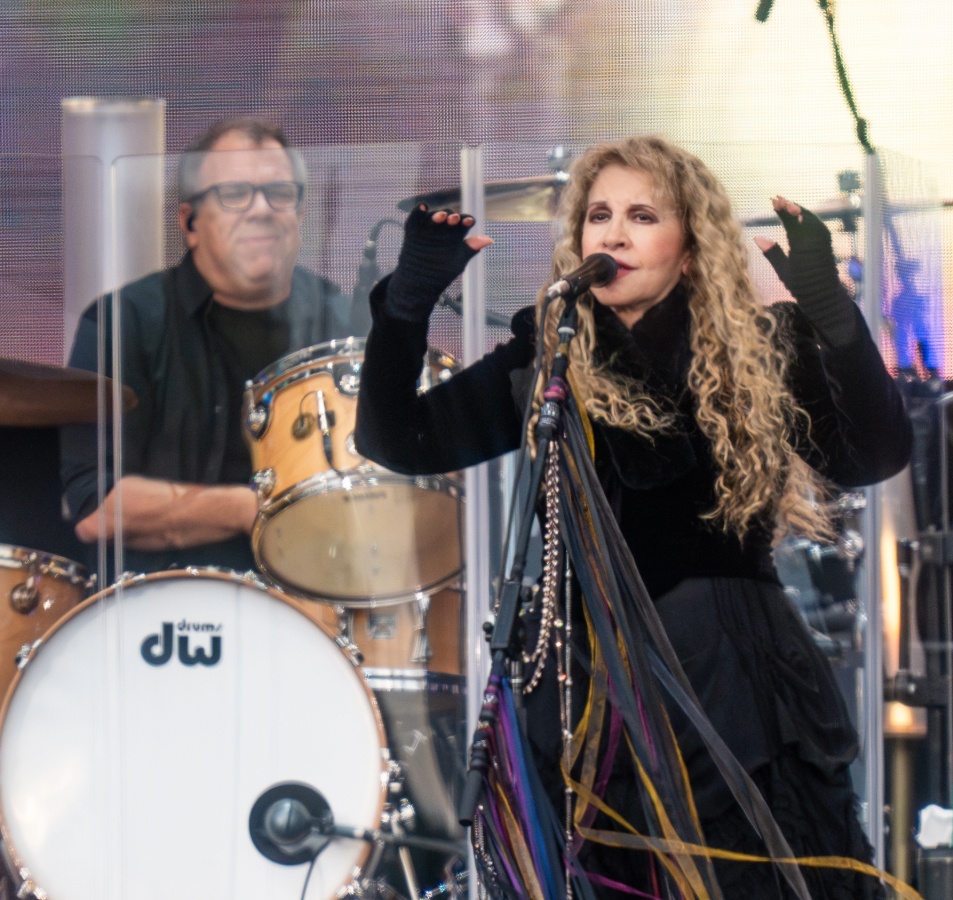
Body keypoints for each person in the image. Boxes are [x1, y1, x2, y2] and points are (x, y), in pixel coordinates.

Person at [356, 135, 911, 898]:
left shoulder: (763, 347)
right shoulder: (545, 357)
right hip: (583, 695)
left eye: (642, 216)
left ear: (690, 249)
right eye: (598, 216)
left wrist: (831, 316)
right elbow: (399, 440)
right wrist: (408, 303)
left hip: (731, 689)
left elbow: (872, 456)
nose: (611, 235)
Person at [60, 117, 370, 574]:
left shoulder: (344, 326)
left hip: (320, 606)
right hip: (161, 619)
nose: (262, 209)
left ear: (300, 215)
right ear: (190, 222)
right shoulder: (124, 321)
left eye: (280, 193)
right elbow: (96, 506)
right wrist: (258, 508)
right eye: (235, 194)